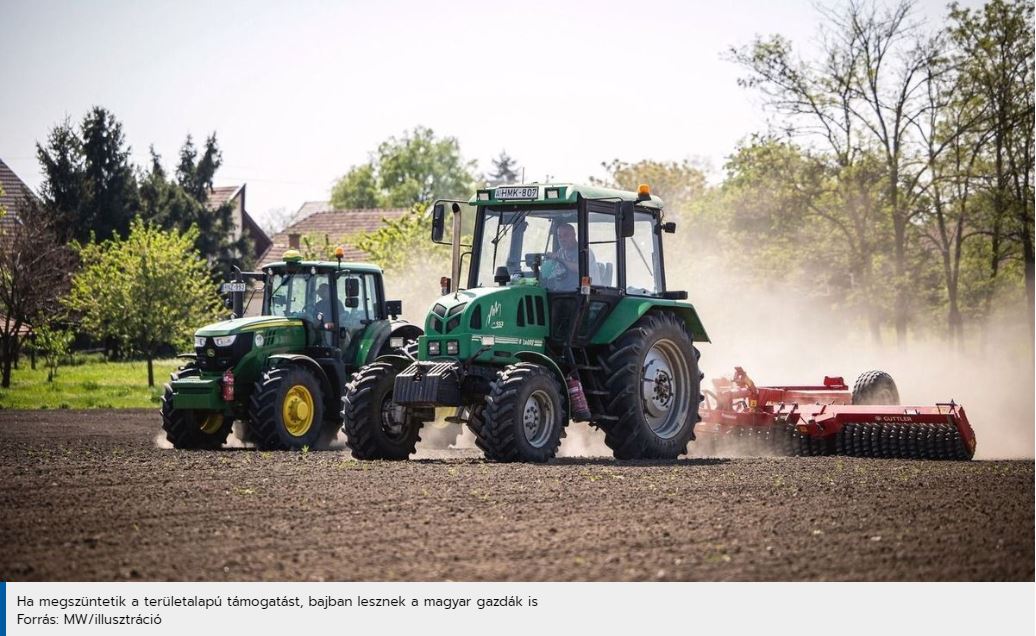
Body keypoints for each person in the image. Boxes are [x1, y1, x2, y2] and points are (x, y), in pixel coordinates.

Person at [544, 222, 595, 291]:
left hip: (586, 292)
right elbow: (554, 273)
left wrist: (559, 259)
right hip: (563, 294)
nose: (562, 240)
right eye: (560, 236)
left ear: (574, 235)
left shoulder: (585, 252)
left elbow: (579, 269)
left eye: (566, 235)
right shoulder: (561, 252)